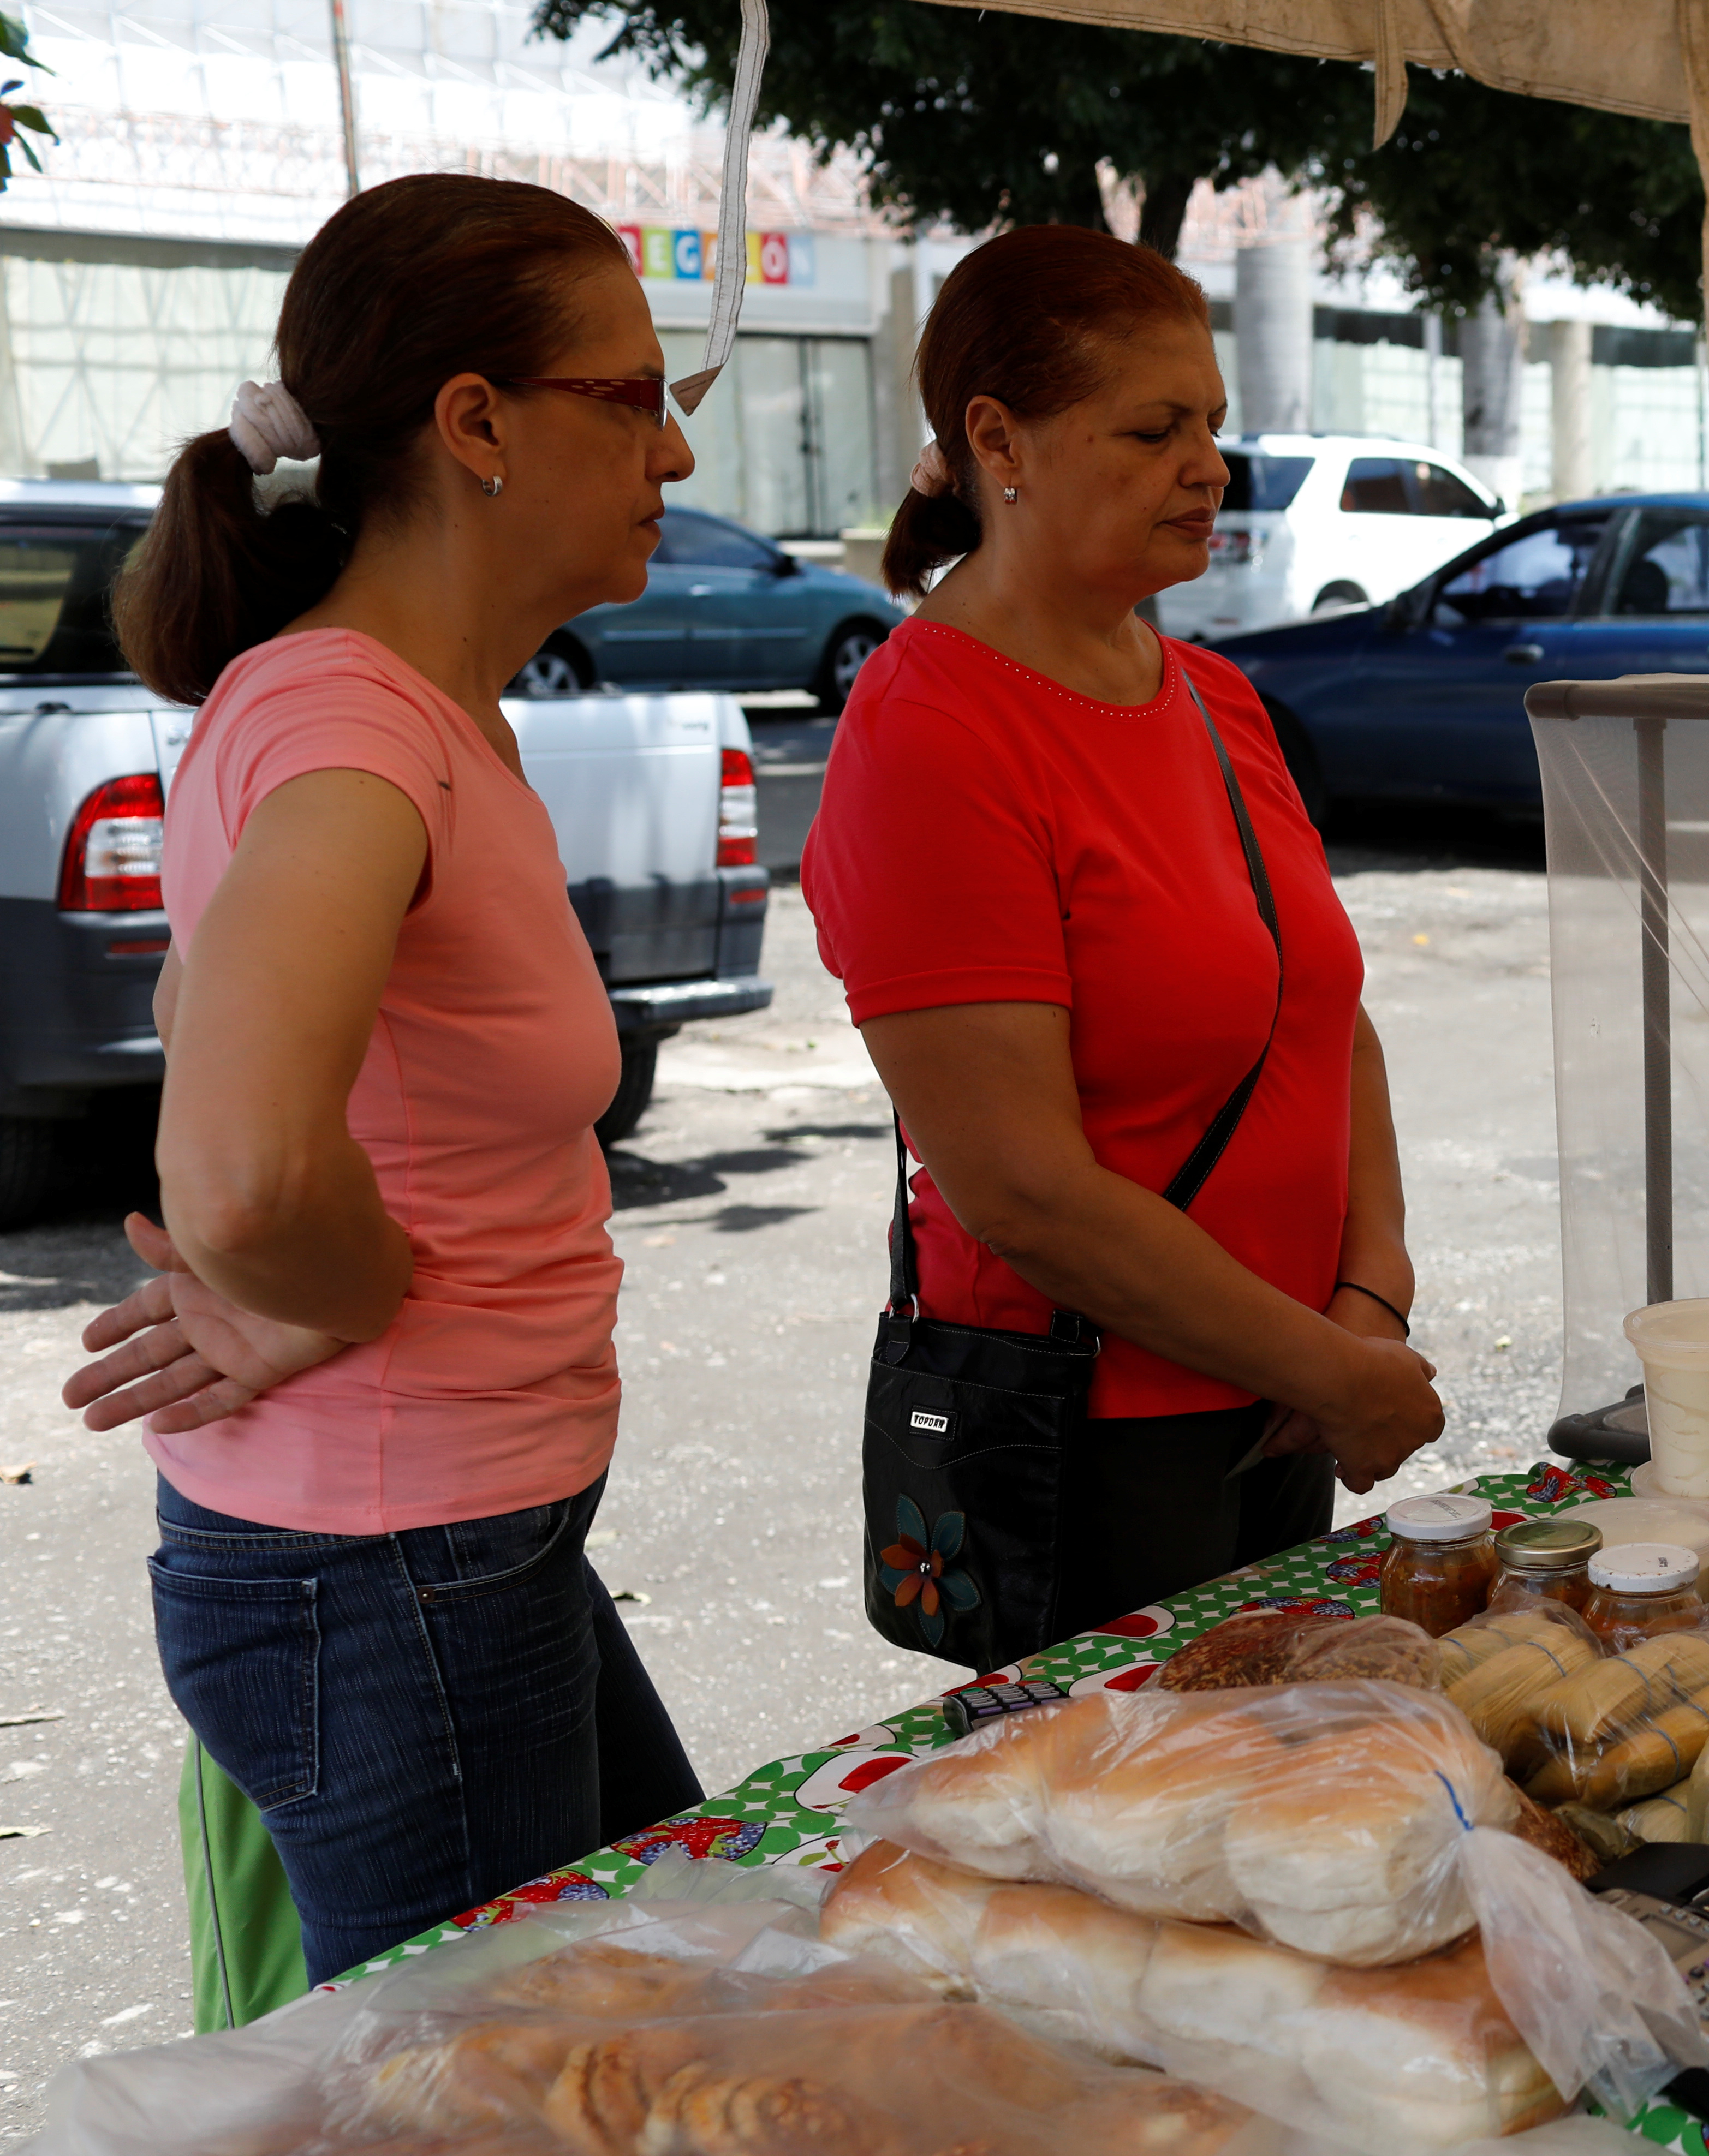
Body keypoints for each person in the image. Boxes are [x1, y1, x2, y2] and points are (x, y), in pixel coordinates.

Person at [61, 175, 705, 1983]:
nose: (667, 453)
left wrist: (311, 1286)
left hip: (436, 1548)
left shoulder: (385, 709)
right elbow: (249, 1171)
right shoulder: (353, 721)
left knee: (652, 2000)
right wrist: (311, 1299)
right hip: (392, 1567)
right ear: (476, 422)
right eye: (635, 394)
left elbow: (205, 992)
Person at [803, 226, 1441, 1633]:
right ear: (998, 441)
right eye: (1155, 430)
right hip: (1087, 1438)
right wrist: (1333, 1370)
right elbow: (1022, 1190)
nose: (1208, 466)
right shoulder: (933, 730)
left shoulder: (1217, 696)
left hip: (1286, 1398)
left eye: (1211, 424)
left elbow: (1322, 1018)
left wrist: (1368, 1297)